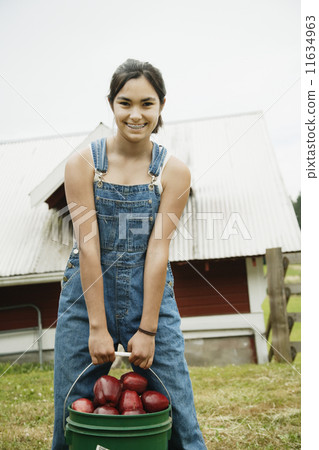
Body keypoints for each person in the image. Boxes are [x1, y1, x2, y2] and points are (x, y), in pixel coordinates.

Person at [52, 58, 207, 449]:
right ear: (111, 104)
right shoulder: (82, 164)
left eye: (147, 104)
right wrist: (97, 327)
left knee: (179, 412)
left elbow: (158, 250)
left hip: (150, 292)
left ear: (162, 106)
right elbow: (88, 247)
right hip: (85, 295)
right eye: (125, 103)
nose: (136, 115)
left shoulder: (174, 172)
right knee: (72, 411)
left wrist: (149, 329)